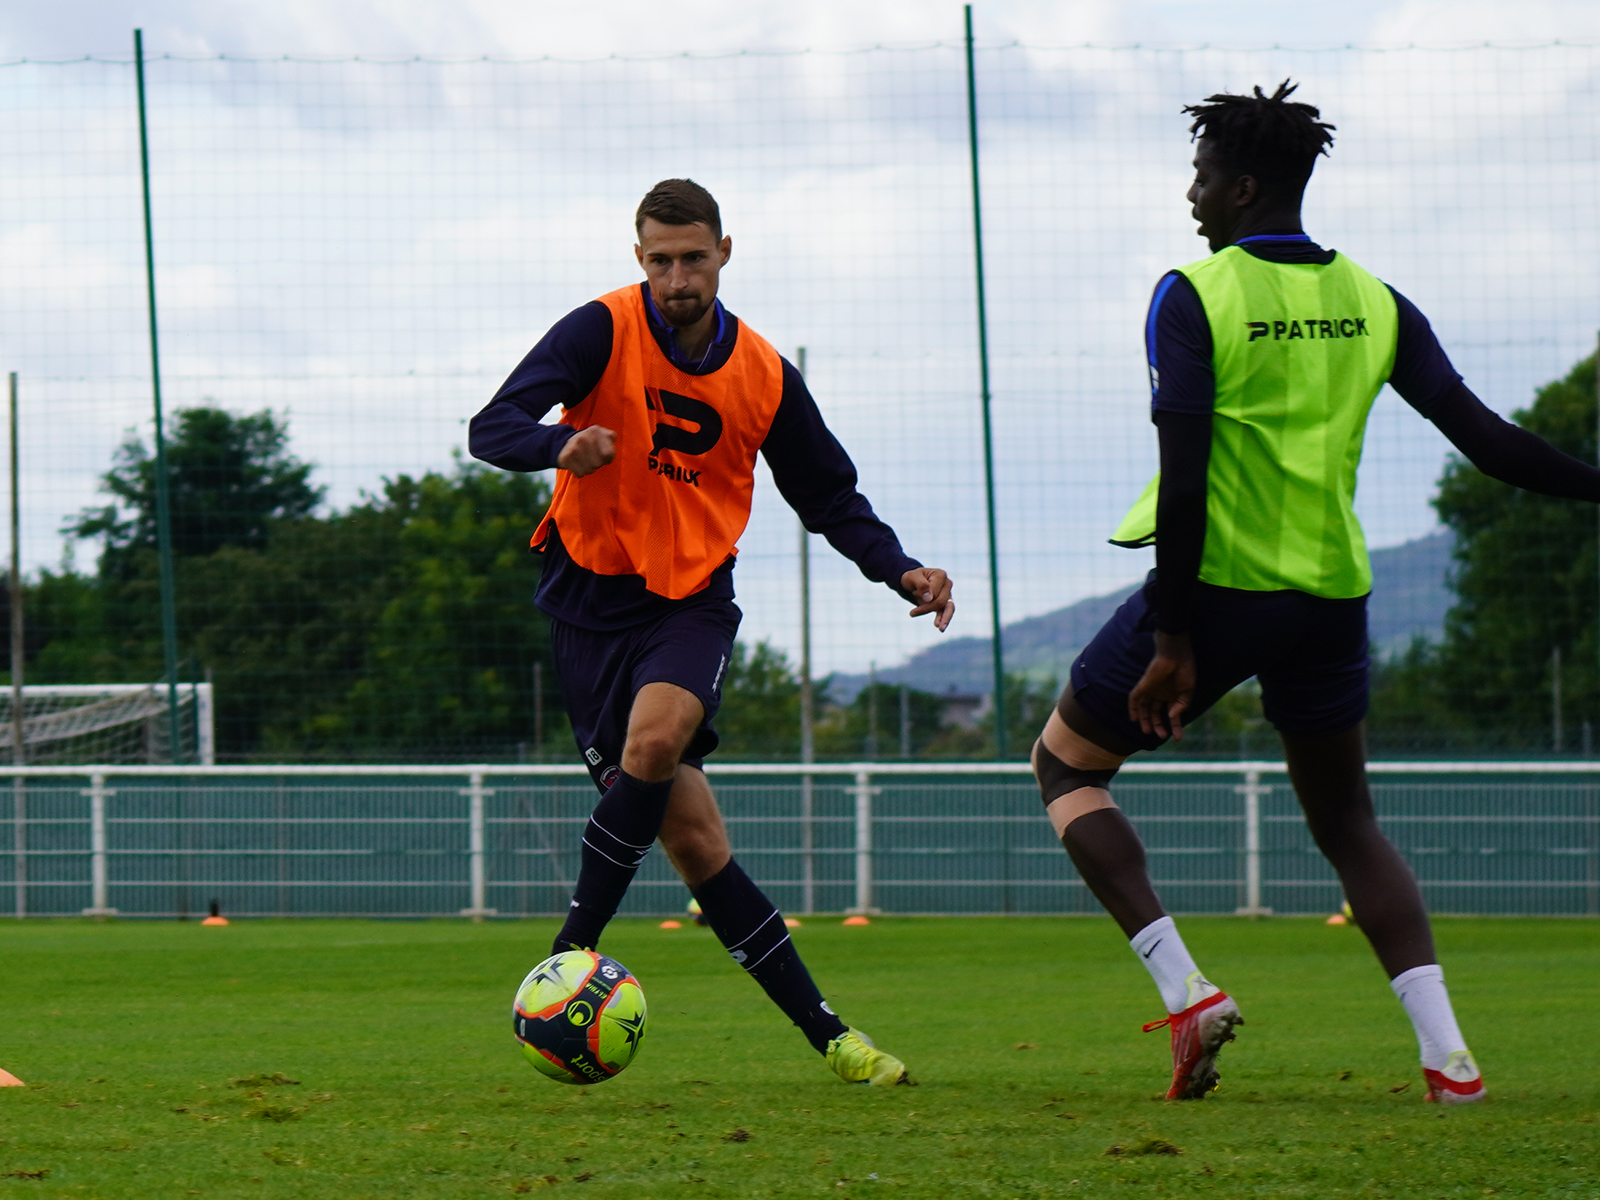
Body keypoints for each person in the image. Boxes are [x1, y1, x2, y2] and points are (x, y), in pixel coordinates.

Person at [1032, 82, 1600, 1103]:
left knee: (1065, 765)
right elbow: (1488, 441)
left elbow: (1189, 471)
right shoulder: (1375, 299)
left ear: (1244, 186)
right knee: (1347, 823)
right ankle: (1449, 1059)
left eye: (1203, 173)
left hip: (1216, 591)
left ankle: (1188, 991)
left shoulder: (1194, 292)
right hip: (1330, 599)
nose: (1192, 191)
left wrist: (1171, 635)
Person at [470, 178, 954, 1087]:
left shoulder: (762, 372)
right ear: (638, 257)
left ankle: (566, 961)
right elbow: (490, 427)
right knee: (696, 844)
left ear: (725, 252)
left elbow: (831, 498)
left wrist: (901, 569)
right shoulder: (599, 330)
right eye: (660, 260)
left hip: (691, 602)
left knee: (656, 740)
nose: (677, 277)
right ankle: (834, 1039)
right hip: (585, 607)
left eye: (693, 258)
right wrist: (556, 446)